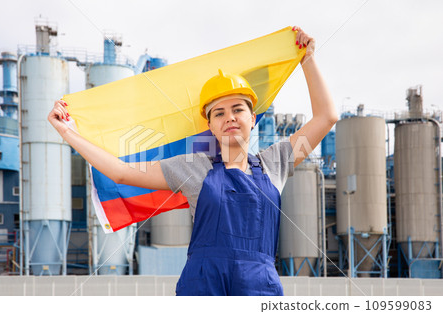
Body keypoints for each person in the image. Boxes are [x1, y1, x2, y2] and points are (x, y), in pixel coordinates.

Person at [48, 26, 337, 295]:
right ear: (210, 126)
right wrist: (68, 132)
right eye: (219, 113)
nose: (230, 118)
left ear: (252, 118)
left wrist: (307, 59)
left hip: (259, 285)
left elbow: (327, 117)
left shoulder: (276, 162)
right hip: (203, 284)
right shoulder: (192, 167)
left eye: (238, 109)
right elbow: (121, 173)